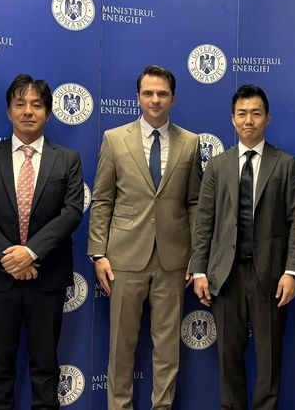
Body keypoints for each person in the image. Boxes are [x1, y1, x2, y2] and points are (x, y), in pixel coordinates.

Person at [0, 73, 84, 409]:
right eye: (20, 104)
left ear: (48, 113)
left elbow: (71, 212)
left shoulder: (67, 159)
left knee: (45, 367)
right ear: (9, 112)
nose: (28, 111)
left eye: (36, 104)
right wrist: (12, 258)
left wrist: (31, 253)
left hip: (47, 278)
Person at [87, 65, 202, 410]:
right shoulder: (114, 139)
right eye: (148, 93)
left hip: (173, 260)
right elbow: (102, 199)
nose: (155, 99)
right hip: (123, 259)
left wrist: (196, 257)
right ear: (137, 97)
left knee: (167, 349)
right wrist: (98, 253)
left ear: (173, 99)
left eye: (162, 93)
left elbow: (195, 202)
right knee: (121, 347)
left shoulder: (190, 142)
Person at [190, 84, 295, 410]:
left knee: (269, 360)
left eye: (256, 113)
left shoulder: (286, 164)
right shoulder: (217, 166)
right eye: (242, 114)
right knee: (228, 359)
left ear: (267, 118)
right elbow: (204, 222)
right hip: (224, 276)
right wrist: (199, 271)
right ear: (232, 119)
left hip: (270, 275)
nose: (249, 120)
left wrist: (292, 271)